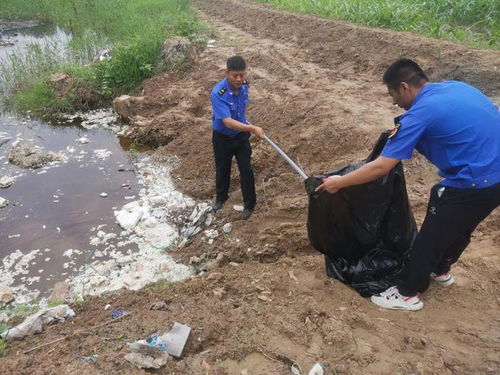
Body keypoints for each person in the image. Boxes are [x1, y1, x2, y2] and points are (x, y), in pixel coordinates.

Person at [316, 58, 500, 311]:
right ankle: (440, 270)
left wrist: (340, 182)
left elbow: (382, 166)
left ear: (404, 87)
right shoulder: (457, 88)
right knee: (461, 227)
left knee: (432, 234)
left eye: (392, 94)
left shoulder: (418, 115)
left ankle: (406, 292)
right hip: (495, 179)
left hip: (471, 181)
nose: (394, 102)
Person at [210, 56, 264, 220]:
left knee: (246, 169)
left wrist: (247, 128)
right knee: (222, 168)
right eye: (235, 76)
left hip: (241, 136)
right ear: (227, 73)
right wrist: (253, 128)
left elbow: (242, 107)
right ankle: (221, 198)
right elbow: (227, 122)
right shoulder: (218, 93)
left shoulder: (245, 85)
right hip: (222, 137)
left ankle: (249, 204)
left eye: (242, 75)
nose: (240, 79)